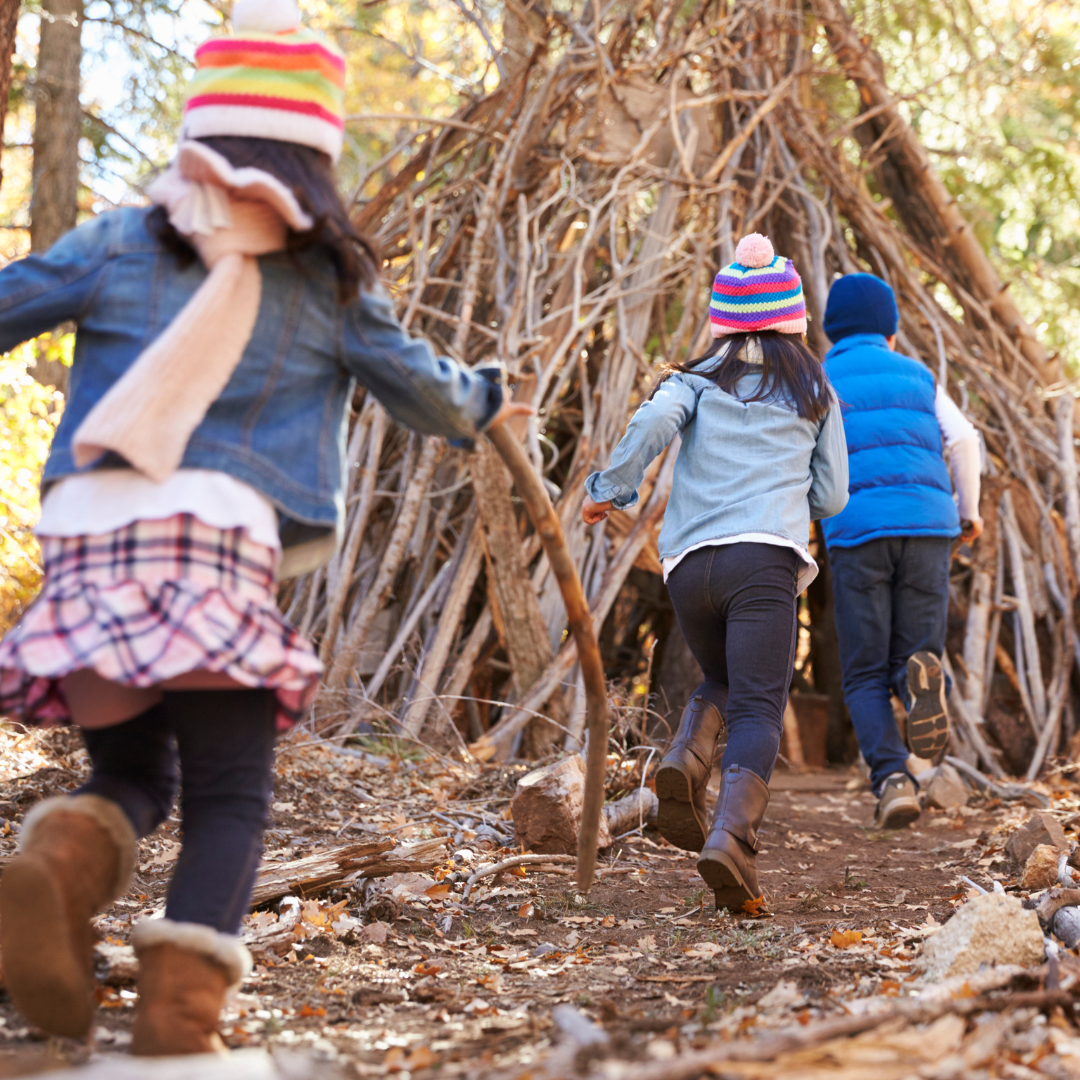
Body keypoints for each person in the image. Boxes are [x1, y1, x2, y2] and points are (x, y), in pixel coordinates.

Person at [0, 0, 527, 1053]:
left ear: (203, 135)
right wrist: (485, 398)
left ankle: (53, 873)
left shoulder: (121, 239)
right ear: (317, 159)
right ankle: (179, 1016)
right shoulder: (327, 284)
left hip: (91, 545)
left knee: (129, 777)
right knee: (230, 791)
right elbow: (423, 395)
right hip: (212, 549)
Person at [582, 234, 848, 912]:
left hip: (688, 566)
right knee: (760, 702)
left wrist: (609, 489)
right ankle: (731, 838)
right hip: (763, 561)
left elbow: (652, 423)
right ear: (792, 318)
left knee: (726, 680)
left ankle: (685, 761)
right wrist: (796, 501)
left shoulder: (694, 380)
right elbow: (834, 497)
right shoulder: (814, 386)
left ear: (724, 320)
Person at [820, 273, 982, 830]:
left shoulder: (821, 378)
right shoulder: (918, 375)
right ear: (890, 328)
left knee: (863, 672)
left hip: (858, 530)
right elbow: (962, 439)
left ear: (830, 328)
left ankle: (892, 780)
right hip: (929, 527)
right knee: (915, 654)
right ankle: (919, 688)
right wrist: (968, 511)